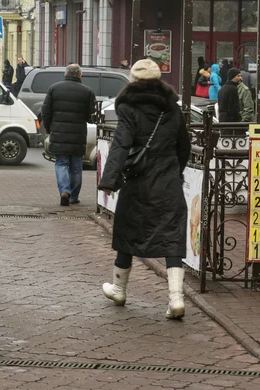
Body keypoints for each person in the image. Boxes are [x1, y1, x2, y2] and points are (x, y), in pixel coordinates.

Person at [97, 59, 191, 320]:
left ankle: (119, 289)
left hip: (138, 181)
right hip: (168, 181)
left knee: (128, 230)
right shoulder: (171, 107)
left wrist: (109, 180)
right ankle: (176, 299)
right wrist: (174, 170)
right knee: (173, 236)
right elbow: (184, 146)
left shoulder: (128, 106)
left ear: (133, 81)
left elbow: (121, 143)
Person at [41, 64, 95, 206]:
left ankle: (64, 191)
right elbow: (91, 116)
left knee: (61, 163)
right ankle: (74, 196)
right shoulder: (87, 92)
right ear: (79, 75)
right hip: (78, 136)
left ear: (65, 74)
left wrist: (50, 128)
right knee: (76, 167)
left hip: (58, 133)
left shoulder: (53, 89)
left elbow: (45, 113)